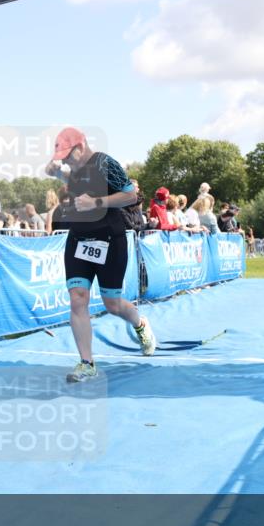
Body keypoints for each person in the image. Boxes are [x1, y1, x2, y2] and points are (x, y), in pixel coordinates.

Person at [44, 127, 155, 382]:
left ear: (80, 147)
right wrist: (55, 169)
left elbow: (131, 195)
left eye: (68, 155)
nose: (66, 161)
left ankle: (140, 324)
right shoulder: (73, 170)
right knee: (78, 298)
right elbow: (62, 176)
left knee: (112, 304)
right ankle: (87, 363)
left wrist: (97, 203)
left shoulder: (105, 163)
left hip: (109, 240)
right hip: (79, 240)